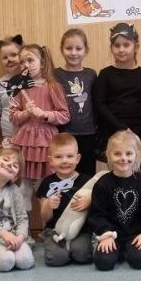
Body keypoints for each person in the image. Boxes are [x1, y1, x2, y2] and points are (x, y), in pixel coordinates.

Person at [88, 130, 141, 271]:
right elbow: (96, 214)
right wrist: (106, 234)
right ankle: (117, 250)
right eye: (117, 154)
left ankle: (126, 251)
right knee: (103, 263)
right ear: (109, 155)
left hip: (136, 234)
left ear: (136, 155)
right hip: (111, 234)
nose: (123, 158)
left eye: (128, 154)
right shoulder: (102, 184)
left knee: (140, 261)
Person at [9, 44, 70, 211]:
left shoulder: (53, 86)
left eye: (30, 60)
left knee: (48, 190)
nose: (26, 65)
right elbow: (13, 117)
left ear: (42, 63)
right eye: (22, 62)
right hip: (24, 143)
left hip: (47, 143)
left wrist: (44, 114)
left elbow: (64, 115)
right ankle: (23, 226)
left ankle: (48, 225)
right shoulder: (19, 88)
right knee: (23, 189)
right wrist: (26, 113)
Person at [94, 22, 141, 161]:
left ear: (136, 47)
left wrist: (137, 131)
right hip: (111, 131)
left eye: (126, 45)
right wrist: (121, 128)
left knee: (136, 167)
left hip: (138, 132)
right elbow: (100, 105)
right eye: (117, 45)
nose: (121, 49)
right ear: (111, 48)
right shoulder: (105, 74)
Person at [37, 133, 93, 266]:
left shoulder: (86, 181)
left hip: (80, 230)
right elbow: (45, 217)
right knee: (56, 259)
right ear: (51, 160)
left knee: (82, 255)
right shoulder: (47, 183)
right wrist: (49, 205)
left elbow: (97, 208)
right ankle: (60, 247)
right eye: (58, 157)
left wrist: (89, 200)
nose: (64, 161)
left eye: (69, 156)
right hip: (54, 230)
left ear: (78, 158)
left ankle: (73, 247)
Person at [55, 28, 97, 176]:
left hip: (88, 133)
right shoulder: (55, 74)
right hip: (63, 133)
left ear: (86, 50)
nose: (73, 53)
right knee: (64, 174)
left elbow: (95, 103)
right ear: (61, 49)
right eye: (69, 48)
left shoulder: (91, 74)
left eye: (78, 48)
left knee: (86, 175)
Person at [0, 34, 24, 153]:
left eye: (14, 55)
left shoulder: (36, 80)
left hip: (35, 139)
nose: (9, 60)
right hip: (10, 140)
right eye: (5, 57)